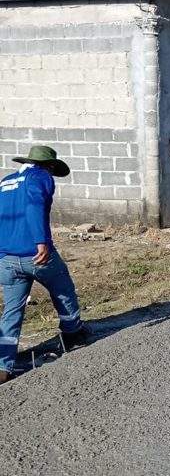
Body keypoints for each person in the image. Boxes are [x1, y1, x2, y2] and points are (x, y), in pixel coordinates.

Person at [0, 146, 89, 385]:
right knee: (62, 288)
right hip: (36, 254)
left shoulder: (6, 182)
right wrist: (41, 242)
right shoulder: (40, 176)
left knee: (12, 311)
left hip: (7, 257)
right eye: (52, 168)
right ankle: (72, 334)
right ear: (48, 166)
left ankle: (2, 365)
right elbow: (35, 205)